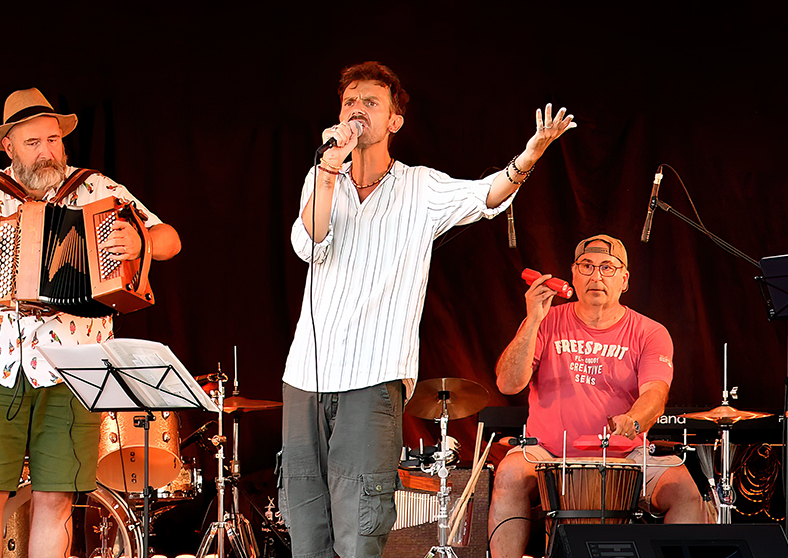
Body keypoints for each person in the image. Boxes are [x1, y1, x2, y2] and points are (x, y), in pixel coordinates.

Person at [280, 61, 575, 558]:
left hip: (371, 377)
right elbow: (308, 243)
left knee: (359, 526)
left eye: (370, 103)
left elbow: (487, 194)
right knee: (305, 526)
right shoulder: (321, 176)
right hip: (304, 377)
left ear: (395, 121)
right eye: (350, 102)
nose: (357, 111)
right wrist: (329, 171)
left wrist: (528, 156)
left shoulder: (421, 188)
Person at [0, 87, 181, 557]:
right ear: (9, 147)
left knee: (56, 498)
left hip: (75, 367)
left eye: (53, 140)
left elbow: (169, 239)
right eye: (33, 143)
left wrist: (137, 236)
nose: (47, 152)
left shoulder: (98, 190)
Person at [489, 234, 711, 557]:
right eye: (587, 267)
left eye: (608, 267)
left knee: (685, 492)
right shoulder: (546, 322)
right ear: (573, 274)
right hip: (548, 454)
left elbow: (655, 394)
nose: (596, 276)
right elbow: (507, 383)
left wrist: (633, 421)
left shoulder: (650, 332)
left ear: (624, 279)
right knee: (508, 474)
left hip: (626, 455)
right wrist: (533, 318)